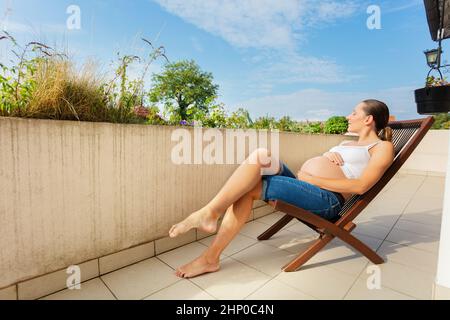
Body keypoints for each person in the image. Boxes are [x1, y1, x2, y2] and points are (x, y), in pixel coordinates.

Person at [168, 99, 394, 278]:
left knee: (249, 187)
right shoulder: (347, 143)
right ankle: (210, 214)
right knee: (261, 155)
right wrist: (329, 156)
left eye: (354, 112)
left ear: (368, 119)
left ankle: (210, 250)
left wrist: (314, 178)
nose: (348, 116)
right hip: (309, 187)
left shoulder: (381, 147)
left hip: (327, 200)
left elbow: (362, 185)